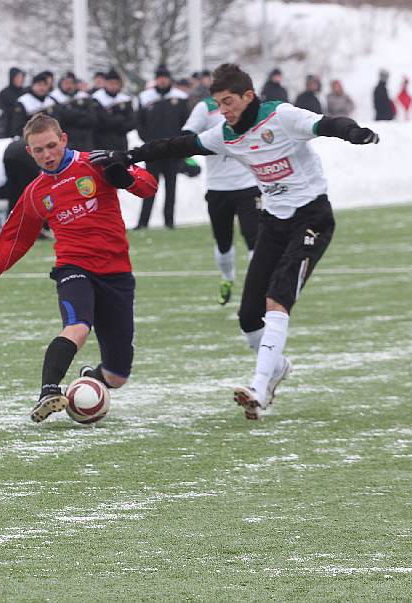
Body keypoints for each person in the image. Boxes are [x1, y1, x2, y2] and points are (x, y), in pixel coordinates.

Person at [94, 63, 380, 421]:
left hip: (312, 219)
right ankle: (277, 367)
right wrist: (129, 156)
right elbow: (178, 144)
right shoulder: (226, 134)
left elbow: (325, 124)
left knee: (278, 298)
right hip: (274, 223)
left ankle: (259, 388)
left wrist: (354, 132)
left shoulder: (281, 116)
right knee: (248, 318)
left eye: (228, 102)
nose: (223, 110)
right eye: (218, 103)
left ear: (248, 96)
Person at [0, 114, 157, 422]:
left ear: (63, 140)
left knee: (117, 376)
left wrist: (126, 179)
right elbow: (15, 240)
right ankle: (48, 391)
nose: (46, 155)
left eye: (50, 146)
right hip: (74, 268)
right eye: (38, 150)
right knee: (77, 327)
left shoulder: (96, 164)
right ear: (29, 152)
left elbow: (148, 185)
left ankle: (91, 378)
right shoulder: (35, 193)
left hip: (116, 274)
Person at [183, 96, 259, 305]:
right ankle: (227, 278)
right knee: (223, 243)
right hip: (219, 188)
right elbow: (188, 135)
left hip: (249, 185)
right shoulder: (205, 107)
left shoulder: (248, 104)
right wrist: (190, 154)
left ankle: (255, 288)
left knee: (255, 238)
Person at [135, 64, 190, 229]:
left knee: (171, 189)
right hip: (152, 151)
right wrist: (147, 140)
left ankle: (169, 222)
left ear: (169, 79)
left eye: (165, 77)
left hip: (172, 150)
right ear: (155, 79)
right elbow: (139, 122)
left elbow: (186, 123)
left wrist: (181, 144)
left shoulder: (180, 97)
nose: (162, 80)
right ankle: (143, 223)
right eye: (159, 77)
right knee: (148, 187)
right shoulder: (145, 97)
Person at [50, 72, 99, 151]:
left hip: (85, 141)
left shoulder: (85, 97)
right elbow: (59, 120)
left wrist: (71, 115)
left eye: (71, 83)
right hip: (66, 142)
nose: (69, 86)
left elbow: (92, 118)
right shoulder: (54, 99)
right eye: (66, 83)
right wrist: (80, 114)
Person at [91, 69, 134, 152]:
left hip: (121, 143)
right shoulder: (96, 99)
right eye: (111, 83)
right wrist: (120, 119)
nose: (113, 86)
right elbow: (97, 121)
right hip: (101, 143)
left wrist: (111, 120)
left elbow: (131, 122)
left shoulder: (125, 100)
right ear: (105, 83)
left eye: (116, 83)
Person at [10, 73, 57, 139]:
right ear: (33, 86)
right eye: (39, 85)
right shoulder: (23, 102)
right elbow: (18, 126)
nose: (41, 88)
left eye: (44, 85)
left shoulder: (51, 101)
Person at [0, 67, 26, 137]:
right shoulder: (4, 93)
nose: (20, 80)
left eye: (21, 77)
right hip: (8, 128)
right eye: (18, 77)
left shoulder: (25, 93)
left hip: (23, 128)